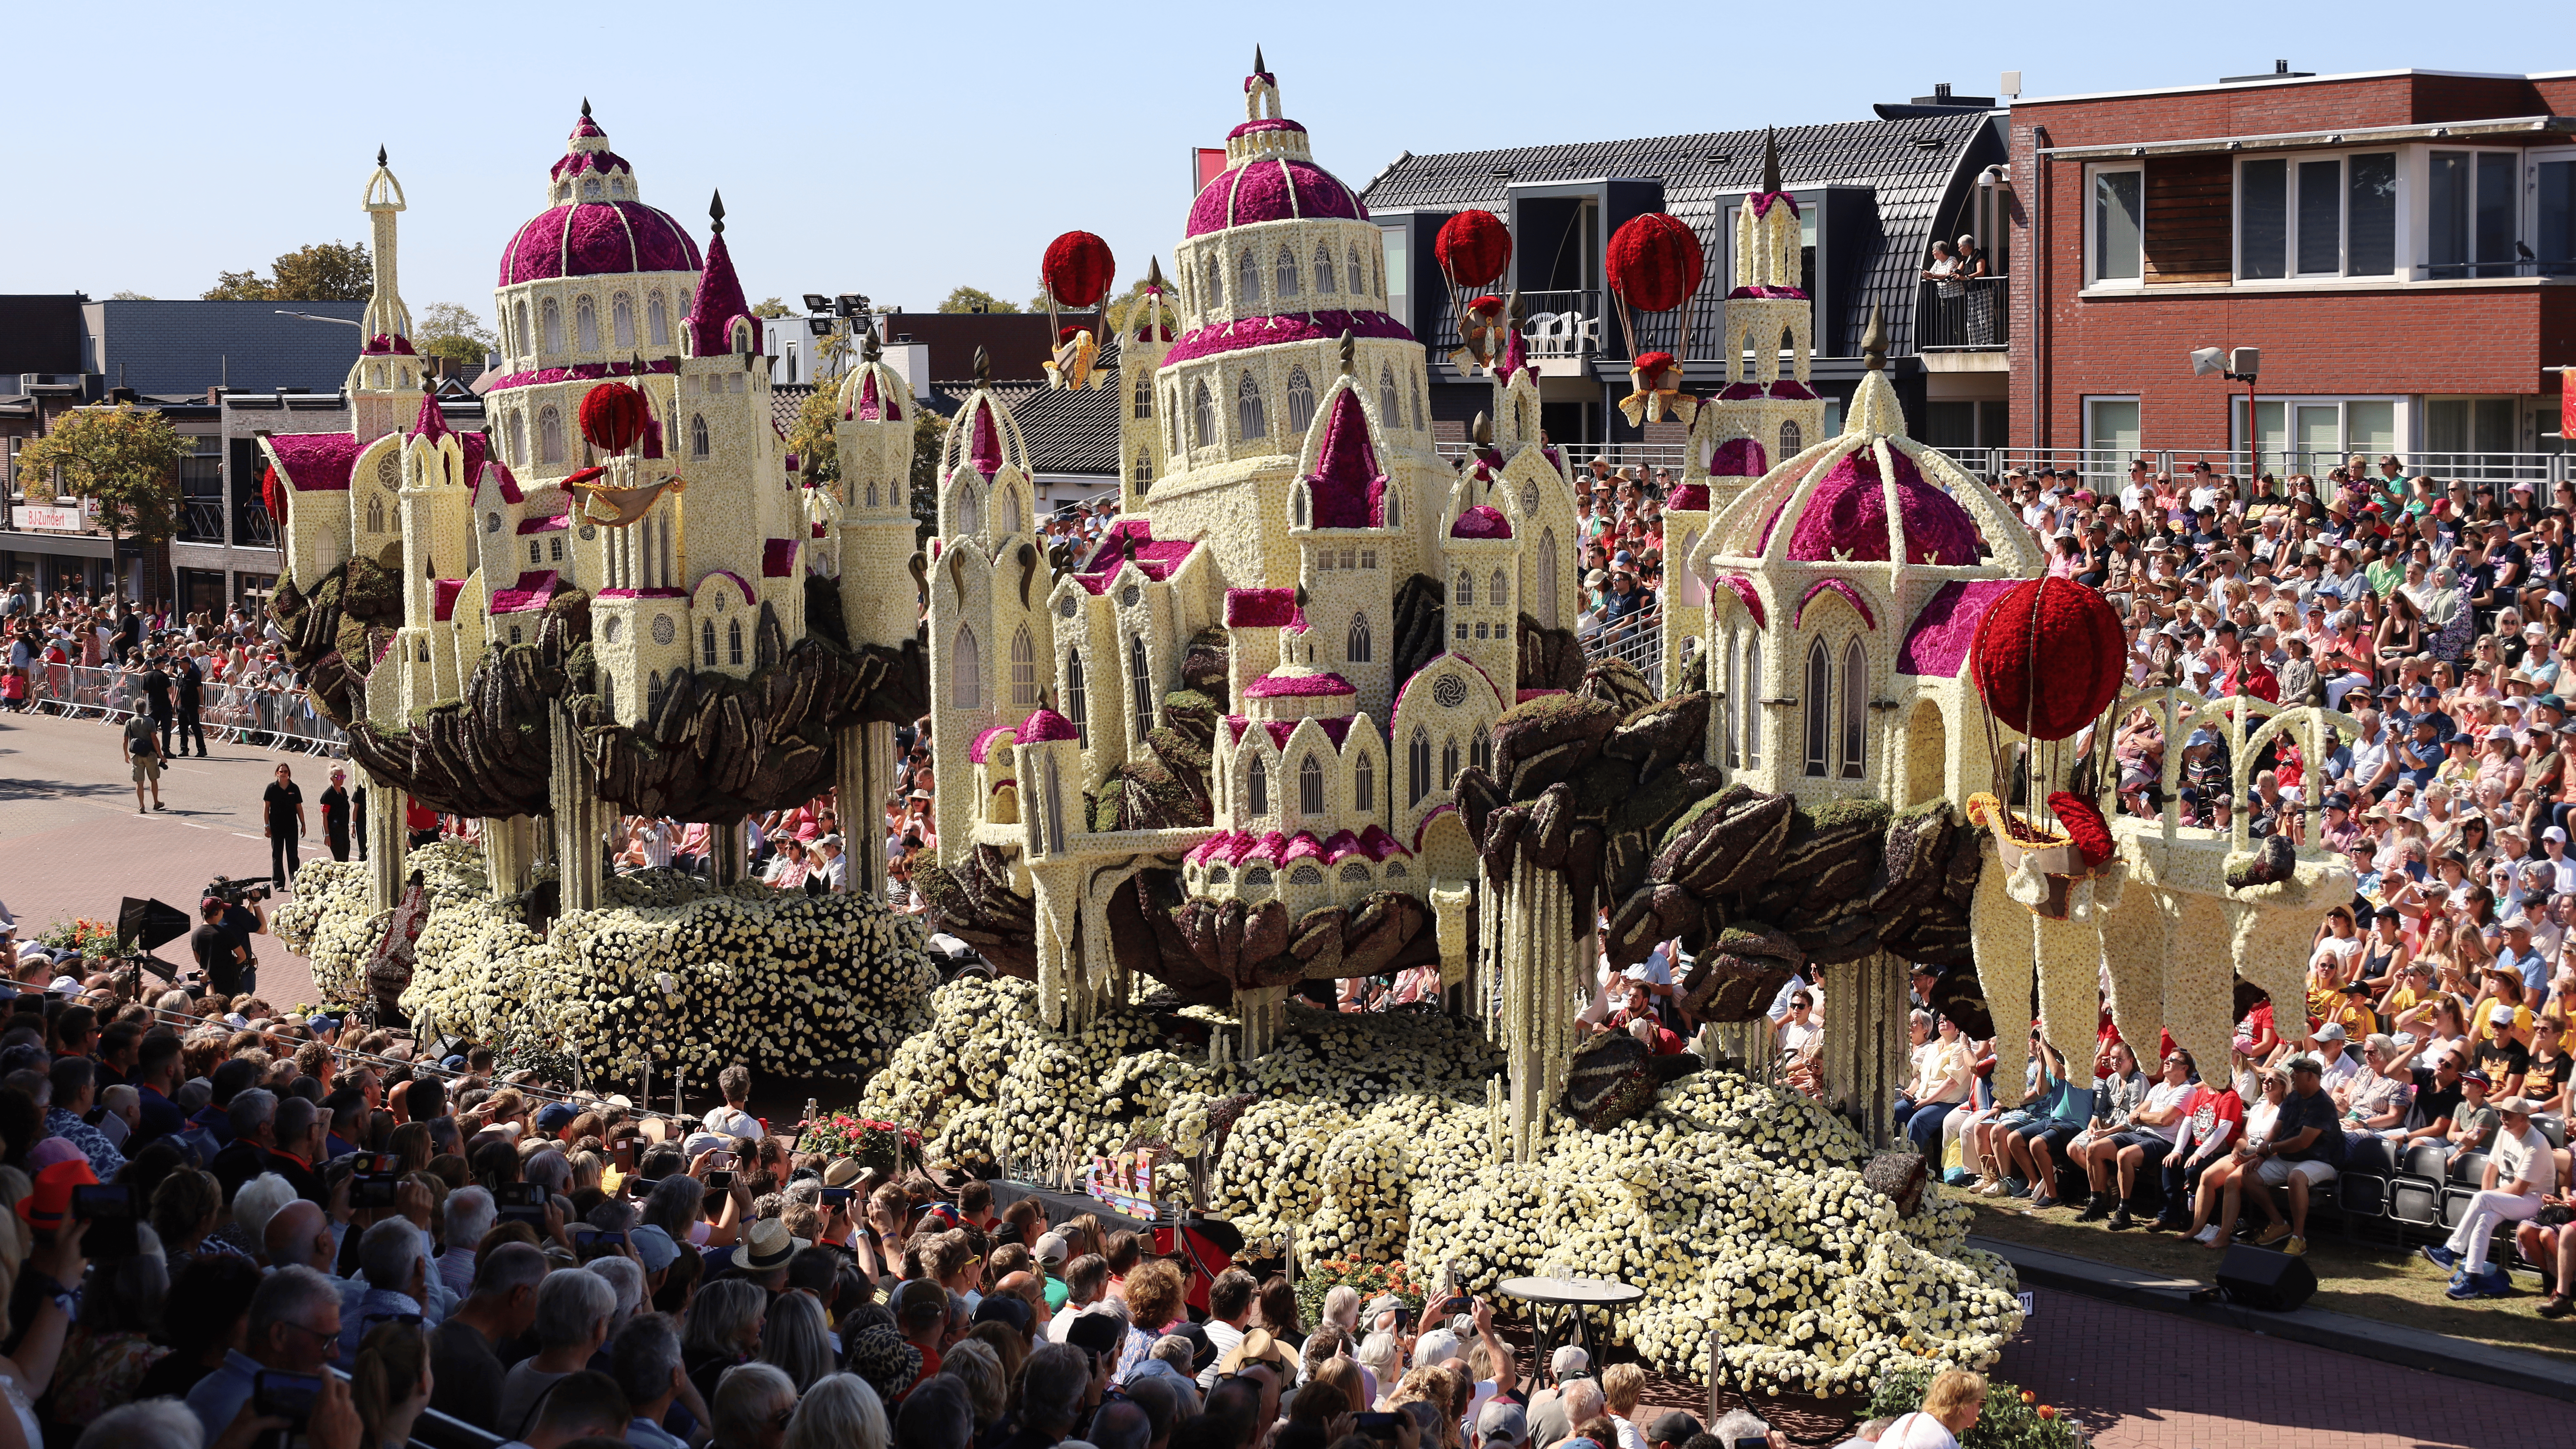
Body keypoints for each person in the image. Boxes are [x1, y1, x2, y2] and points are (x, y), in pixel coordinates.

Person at [2423, 1095, 2559, 1297]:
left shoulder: (2537, 1143)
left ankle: (2450, 1252)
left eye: (2508, 1115)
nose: (2502, 1118)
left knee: (2482, 1199)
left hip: (2534, 1200)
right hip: (2508, 1197)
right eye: (2502, 1113)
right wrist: (2486, 1200)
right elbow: (2490, 1170)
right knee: (2484, 1217)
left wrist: (2485, 1198)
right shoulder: (2506, 1132)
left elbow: (2519, 1189)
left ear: (2523, 1118)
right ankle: (2471, 1279)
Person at [1874, 1369, 1983, 1449]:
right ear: (1965, 1406)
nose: (1981, 1409)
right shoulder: (1943, 1441)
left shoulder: (1909, 1419)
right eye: (1982, 1403)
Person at [263, 763, 306, 891]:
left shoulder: (295, 788)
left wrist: (303, 824)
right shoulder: (271, 788)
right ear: (277, 773)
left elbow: (299, 807)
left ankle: (295, 882)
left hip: (291, 826)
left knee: (293, 855)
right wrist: (267, 826)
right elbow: (266, 809)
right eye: (281, 771)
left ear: (289, 773)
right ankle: (279, 883)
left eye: (286, 771)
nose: (284, 773)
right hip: (276, 827)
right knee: (277, 855)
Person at [121, 706, 164, 814]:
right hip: (150, 754)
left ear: (135, 708)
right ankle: (156, 802)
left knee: (139, 782)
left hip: (136, 755)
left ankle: (142, 806)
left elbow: (125, 740)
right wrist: (161, 755)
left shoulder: (129, 722)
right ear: (145, 709)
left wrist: (126, 754)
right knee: (153, 779)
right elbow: (154, 739)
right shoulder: (150, 721)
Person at [320, 768, 354, 863]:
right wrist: (327, 834)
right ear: (332, 779)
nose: (342, 779)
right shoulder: (327, 796)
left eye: (343, 777)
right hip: (334, 832)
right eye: (339, 777)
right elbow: (324, 816)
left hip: (344, 830)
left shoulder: (343, 791)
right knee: (339, 860)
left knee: (346, 858)